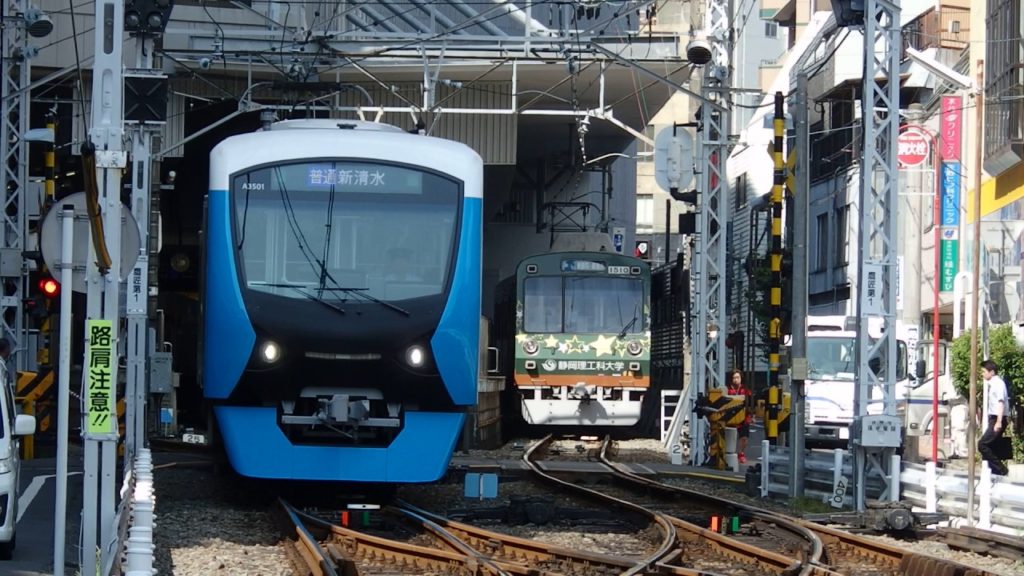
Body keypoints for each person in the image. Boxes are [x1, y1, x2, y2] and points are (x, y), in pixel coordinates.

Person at [979, 359, 1009, 476]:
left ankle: (1001, 470)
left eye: (984, 371)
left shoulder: (998, 384)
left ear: (991, 372)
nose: (983, 374)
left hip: (997, 418)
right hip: (994, 418)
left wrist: (998, 421)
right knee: (991, 445)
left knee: (983, 444)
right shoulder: (993, 384)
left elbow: (1000, 402)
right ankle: (995, 472)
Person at [727, 369, 754, 464]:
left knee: (744, 438)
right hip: (730, 416)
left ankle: (741, 453)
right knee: (729, 435)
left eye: (737, 377)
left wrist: (751, 416)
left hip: (744, 417)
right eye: (734, 378)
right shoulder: (727, 390)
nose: (736, 380)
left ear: (741, 378)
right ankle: (729, 453)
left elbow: (751, 404)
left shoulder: (745, 390)